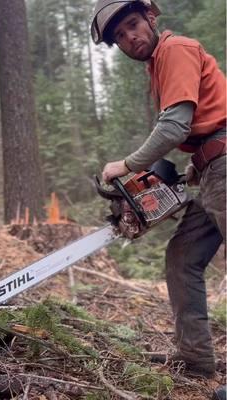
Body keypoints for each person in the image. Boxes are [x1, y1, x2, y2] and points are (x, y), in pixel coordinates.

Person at [91, 1, 226, 398]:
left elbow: (174, 126)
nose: (129, 37)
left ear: (150, 18)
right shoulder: (160, 64)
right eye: (119, 36)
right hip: (213, 168)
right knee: (183, 256)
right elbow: (202, 127)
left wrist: (127, 165)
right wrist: (193, 171)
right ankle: (195, 356)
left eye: (132, 25)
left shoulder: (175, 50)